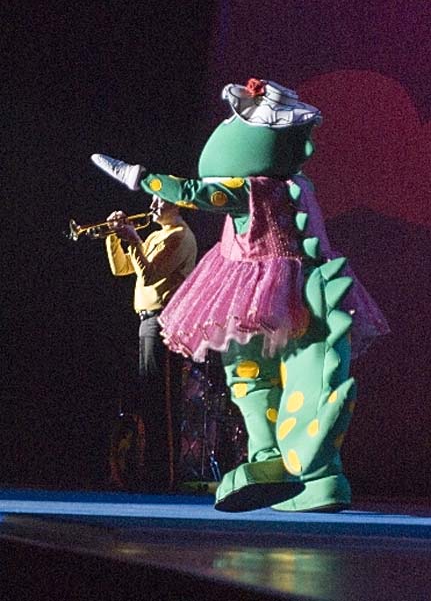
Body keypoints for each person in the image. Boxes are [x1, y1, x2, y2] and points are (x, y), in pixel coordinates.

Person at [91, 77, 389, 512]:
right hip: (302, 285)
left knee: (252, 374)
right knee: (289, 372)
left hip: (265, 289)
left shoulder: (252, 189)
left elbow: (194, 193)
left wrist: (141, 178)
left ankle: (273, 459)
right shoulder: (300, 186)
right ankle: (316, 474)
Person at [105, 195, 197, 492]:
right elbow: (122, 269)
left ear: (177, 205)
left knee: (162, 403)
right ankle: (155, 473)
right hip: (148, 321)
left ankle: (165, 477)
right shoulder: (157, 235)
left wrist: (133, 239)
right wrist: (114, 236)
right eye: (153, 201)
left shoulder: (179, 236)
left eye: (160, 201)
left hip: (164, 321)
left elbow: (149, 276)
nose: (152, 206)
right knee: (150, 401)